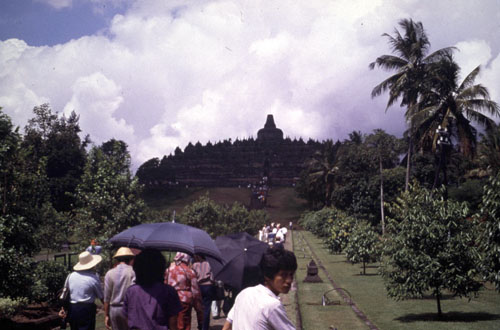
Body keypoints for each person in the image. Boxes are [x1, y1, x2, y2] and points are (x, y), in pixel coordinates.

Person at [222, 246, 297, 330]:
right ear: (268, 275)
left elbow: (227, 325)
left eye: (291, 274)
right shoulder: (272, 305)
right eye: (283, 275)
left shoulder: (244, 293)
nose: (289, 280)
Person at [123, 249, 182, 330]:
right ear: (161, 268)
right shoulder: (169, 291)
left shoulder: (131, 291)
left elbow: (127, 318)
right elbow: (173, 324)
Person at [61, 250, 104, 330]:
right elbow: (101, 296)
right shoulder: (93, 278)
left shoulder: (71, 276)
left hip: (73, 309)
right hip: (86, 309)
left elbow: (64, 293)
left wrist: (63, 308)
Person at [165, 252, 203, 330]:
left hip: (169, 300)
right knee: (183, 325)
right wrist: (198, 308)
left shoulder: (168, 270)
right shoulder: (189, 271)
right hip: (184, 302)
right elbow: (195, 292)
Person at [103, 247, 136, 330]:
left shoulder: (109, 273)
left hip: (114, 309)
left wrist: (106, 314)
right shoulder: (133, 272)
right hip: (128, 308)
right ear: (130, 259)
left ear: (117, 259)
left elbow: (107, 297)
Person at [192, 254, 215, 330]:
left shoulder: (194, 265)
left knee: (199, 308)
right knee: (207, 308)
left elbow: (193, 277)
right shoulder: (209, 264)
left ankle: (200, 325)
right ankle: (205, 327)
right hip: (208, 286)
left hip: (199, 286)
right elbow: (212, 277)